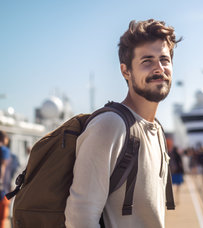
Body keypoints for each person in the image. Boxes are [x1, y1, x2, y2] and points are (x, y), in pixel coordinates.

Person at [65, 19, 181, 227]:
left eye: (164, 59)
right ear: (125, 71)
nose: (159, 68)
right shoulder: (109, 126)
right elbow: (81, 216)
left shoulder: (157, 131)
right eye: (147, 61)